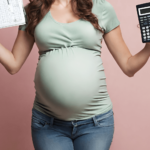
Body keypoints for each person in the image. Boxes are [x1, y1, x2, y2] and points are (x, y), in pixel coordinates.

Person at [0, 0, 150, 150]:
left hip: (95, 124)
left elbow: (129, 66)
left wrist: (148, 47)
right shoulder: (33, 10)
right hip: (48, 124)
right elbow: (13, 64)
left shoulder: (101, 8)